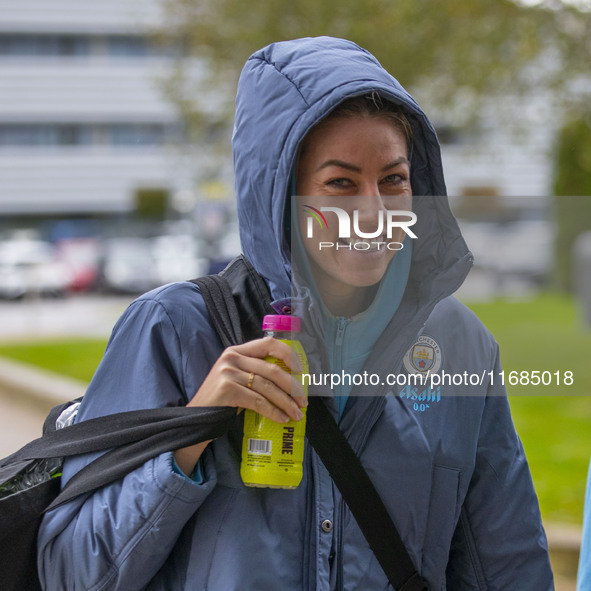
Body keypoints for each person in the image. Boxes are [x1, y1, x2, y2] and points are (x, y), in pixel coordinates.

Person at [38, 36, 554, 590]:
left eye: (394, 179)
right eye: (340, 184)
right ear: (278, 194)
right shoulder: (174, 330)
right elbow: (69, 572)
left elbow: (508, 567)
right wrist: (191, 433)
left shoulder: (459, 346)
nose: (374, 213)